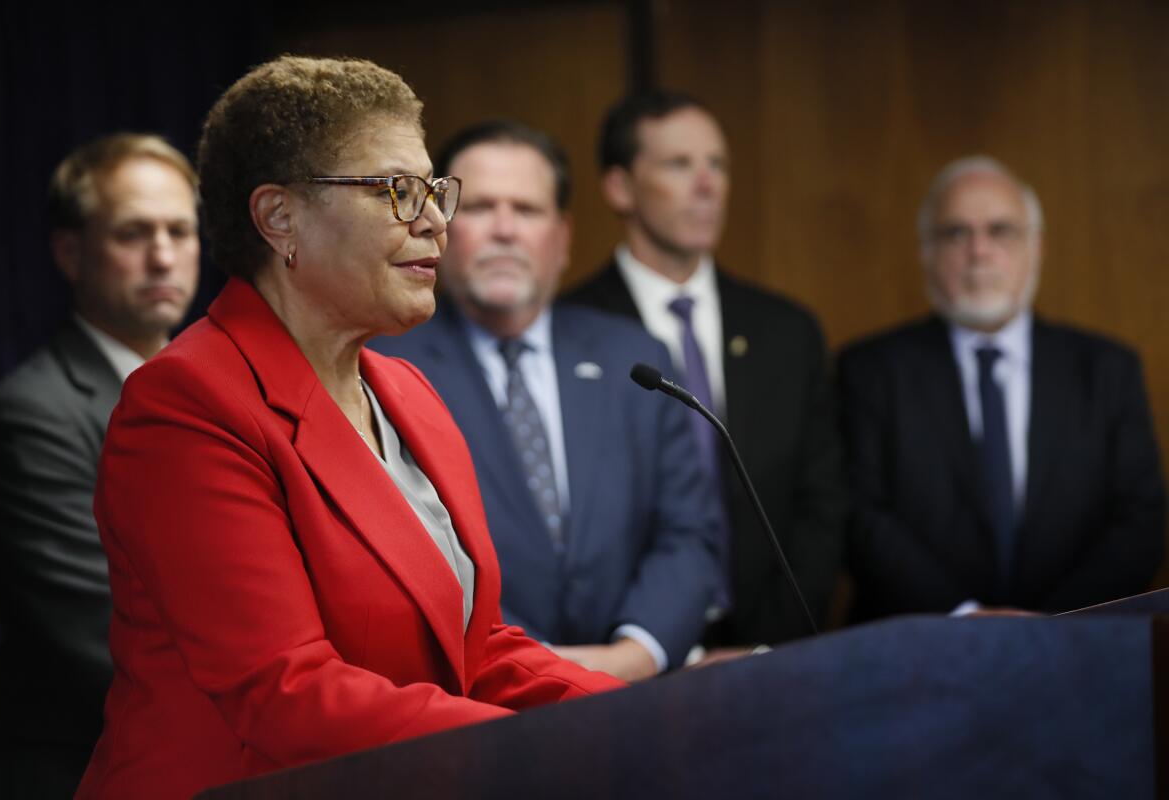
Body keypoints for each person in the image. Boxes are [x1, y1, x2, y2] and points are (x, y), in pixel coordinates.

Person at [74, 57, 622, 800]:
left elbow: (478, 650)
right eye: (397, 190)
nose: (433, 218)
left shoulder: (409, 393)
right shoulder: (184, 406)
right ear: (278, 219)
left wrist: (634, 718)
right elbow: (285, 692)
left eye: (433, 189)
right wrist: (527, 752)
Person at [371, 121, 722, 681]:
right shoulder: (385, 367)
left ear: (562, 238)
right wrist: (534, 669)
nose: (505, 230)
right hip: (478, 703)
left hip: (635, 693)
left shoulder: (634, 358)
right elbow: (405, 558)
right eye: (482, 207)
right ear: (438, 228)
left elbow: (689, 532)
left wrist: (634, 654)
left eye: (528, 211)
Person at [566, 91, 845, 647]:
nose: (707, 184)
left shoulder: (785, 329)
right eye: (679, 164)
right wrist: (646, 647)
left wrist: (769, 642)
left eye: (717, 164)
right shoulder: (570, 330)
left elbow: (823, 503)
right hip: (629, 656)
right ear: (619, 187)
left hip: (773, 649)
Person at [0, 133, 201, 799]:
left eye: (180, 231)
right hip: (87, 775)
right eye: (134, 233)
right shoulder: (27, 417)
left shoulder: (221, 392)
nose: (162, 256)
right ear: (70, 251)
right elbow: (108, 643)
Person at [837, 156, 1166, 620]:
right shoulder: (868, 370)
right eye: (955, 233)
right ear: (925, 252)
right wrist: (966, 616)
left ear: (1037, 247)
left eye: (1001, 231)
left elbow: (1141, 521)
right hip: (919, 650)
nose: (979, 251)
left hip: (1080, 650)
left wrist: (1052, 626)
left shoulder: (1108, 369)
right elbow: (860, 517)